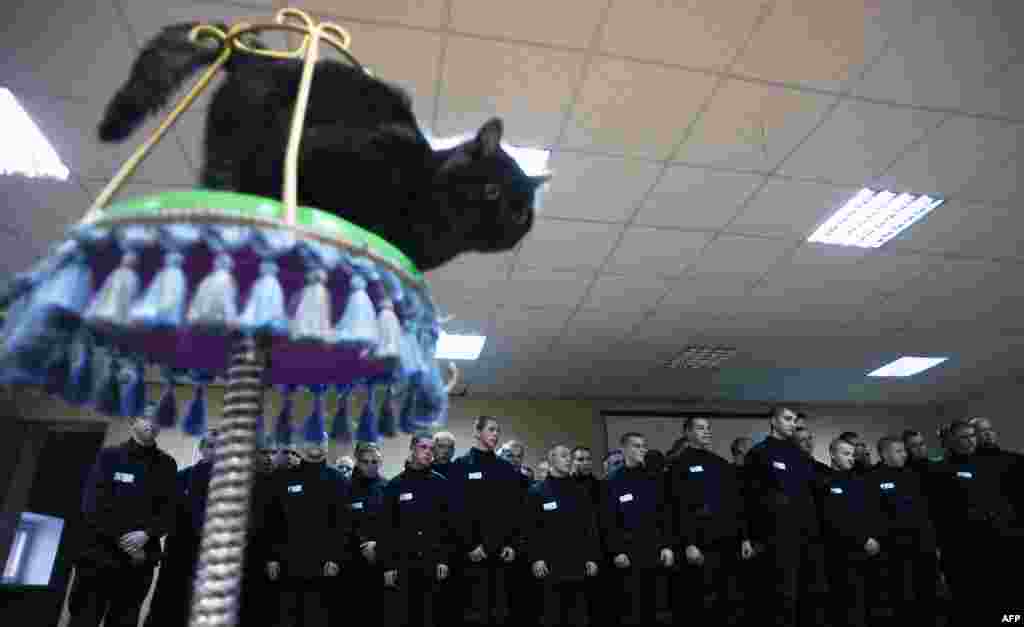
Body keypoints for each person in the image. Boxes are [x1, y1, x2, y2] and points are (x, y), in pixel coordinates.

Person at [69, 407, 178, 627]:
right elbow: (92, 505)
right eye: (146, 417)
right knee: (84, 619)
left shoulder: (167, 464)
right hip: (98, 557)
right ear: (132, 421)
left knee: (124, 621)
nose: (152, 423)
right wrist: (125, 540)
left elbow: (169, 511)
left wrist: (147, 534)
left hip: (138, 563)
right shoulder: (109, 456)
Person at [743, 407, 828, 627]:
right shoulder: (759, 453)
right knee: (781, 597)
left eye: (794, 420)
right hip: (776, 537)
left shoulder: (800, 454)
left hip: (807, 535)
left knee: (809, 594)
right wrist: (749, 536)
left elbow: (813, 493)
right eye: (787, 419)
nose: (792, 423)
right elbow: (749, 498)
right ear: (773, 421)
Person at [928, 419, 1017, 623]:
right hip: (962, 548)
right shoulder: (939, 470)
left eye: (972, 436)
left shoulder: (990, 464)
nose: (970, 441)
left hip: (997, 542)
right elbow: (938, 512)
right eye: (963, 437)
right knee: (968, 601)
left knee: (1003, 600)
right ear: (951, 441)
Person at [666, 418, 753, 626]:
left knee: (728, 600)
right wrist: (688, 543)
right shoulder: (678, 465)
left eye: (708, 428)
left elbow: (735, 504)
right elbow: (677, 508)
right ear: (687, 432)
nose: (706, 432)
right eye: (700, 428)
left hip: (727, 541)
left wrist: (744, 538)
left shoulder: (720, 463)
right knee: (700, 601)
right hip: (699, 544)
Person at [265, 433, 351, 627]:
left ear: (327, 446)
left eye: (320, 441)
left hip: (323, 566)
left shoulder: (337, 479)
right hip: (287, 565)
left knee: (317, 618)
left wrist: (336, 557)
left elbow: (343, 523)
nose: (315, 445)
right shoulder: (284, 478)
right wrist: (272, 557)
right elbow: (274, 521)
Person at [449, 416, 526, 625]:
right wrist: (470, 544)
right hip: (473, 553)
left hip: (502, 552)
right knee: (474, 612)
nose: (495, 434)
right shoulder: (461, 465)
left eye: (498, 431)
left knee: (501, 612)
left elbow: (515, 511)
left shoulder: (505, 468)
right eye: (491, 429)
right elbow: (456, 511)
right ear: (477, 432)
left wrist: (512, 543)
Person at [380, 433, 454, 627]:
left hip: (433, 562)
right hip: (403, 564)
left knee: (432, 616)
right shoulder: (394, 486)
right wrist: (388, 565)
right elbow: (387, 529)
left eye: (431, 449)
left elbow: (447, 525)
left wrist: (443, 559)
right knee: (404, 616)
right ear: (412, 448)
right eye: (423, 447)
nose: (428, 452)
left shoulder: (441, 484)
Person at [600, 432, 674, 626]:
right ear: (624, 449)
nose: (642, 450)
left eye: (643, 446)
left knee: (655, 605)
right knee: (630, 607)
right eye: (637, 446)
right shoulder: (612, 481)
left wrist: (666, 546)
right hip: (628, 552)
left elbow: (664, 515)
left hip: (653, 549)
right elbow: (608, 521)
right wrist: (616, 550)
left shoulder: (654, 478)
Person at [144, 431, 217, 627]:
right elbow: (165, 512)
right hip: (178, 553)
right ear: (202, 449)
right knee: (165, 605)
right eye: (210, 445)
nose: (215, 451)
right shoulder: (183, 476)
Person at [525, 445, 600, 627]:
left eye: (569, 457)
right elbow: (530, 529)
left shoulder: (580, 491)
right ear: (551, 460)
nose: (568, 459)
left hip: (577, 564)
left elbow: (589, 527)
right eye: (564, 456)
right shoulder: (537, 491)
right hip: (549, 565)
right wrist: (536, 558)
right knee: (551, 616)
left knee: (579, 617)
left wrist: (592, 557)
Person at [871, 435, 938, 626]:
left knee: (928, 592)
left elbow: (927, 510)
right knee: (901, 596)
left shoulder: (914, 475)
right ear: (884, 454)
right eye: (898, 451)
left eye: (904, 451)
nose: (904, 454)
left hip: (923, 544)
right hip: (894, 548)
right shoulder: (872, 478)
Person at [817, 438, 883, 627]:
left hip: (868, 552)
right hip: (840, 554)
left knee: (868, 604)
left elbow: (871, 513)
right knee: (844, 605)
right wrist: (862, 539)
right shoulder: (823, 483)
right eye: (845, 454)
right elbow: (832, 519)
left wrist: (873, 538)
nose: (851, 458)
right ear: (832, 454)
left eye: (852, 455)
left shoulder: (860, 481)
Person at [347, 442, 388, 617]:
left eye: (375, 462)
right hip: (351, 560)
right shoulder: (345, 488)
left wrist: (377, 544)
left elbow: (394, 523)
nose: (370, 466)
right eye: (365, 461)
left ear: (380, 462)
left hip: (381, 557)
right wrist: (362, 543)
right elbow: (341, 523)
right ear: (357, 461)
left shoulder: (388, 487)